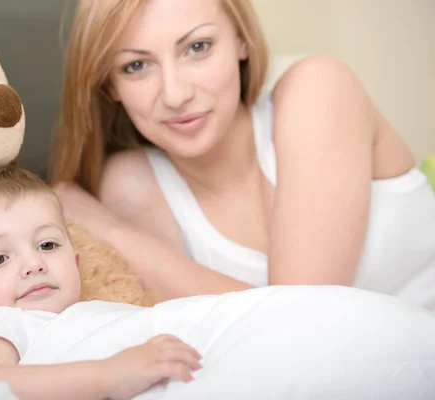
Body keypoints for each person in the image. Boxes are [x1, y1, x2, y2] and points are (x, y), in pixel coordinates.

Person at [50, 0, 435, 311]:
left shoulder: (317, 88)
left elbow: (305, 318)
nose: (175, 94)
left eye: (197, 47)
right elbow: (199, 339)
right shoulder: (131, 180)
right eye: (136, 65)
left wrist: (112, 232)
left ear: (240, 40)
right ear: (110, 84)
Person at [0, 165, 203, 400]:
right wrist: (107, 376)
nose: (34, 264)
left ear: (76, 263)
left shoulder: (92, 313)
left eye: (47, 245)